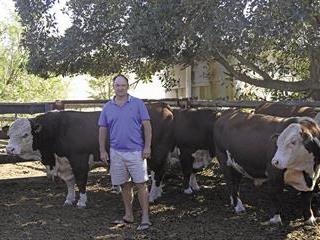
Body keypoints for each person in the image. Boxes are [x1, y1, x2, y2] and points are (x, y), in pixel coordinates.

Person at [98, 74, 152, 231]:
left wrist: (147, 147)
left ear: (128, 86)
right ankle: (129, 215)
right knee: (124, 184)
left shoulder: (137, 104)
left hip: (136, 152)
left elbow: (147, 126)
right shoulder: (108, 107)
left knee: (141, 184)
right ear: (113, 87)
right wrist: (102, 150)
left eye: (123, 85)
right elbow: (102, 129)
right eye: (117, 85)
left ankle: (145, 217)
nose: (120, 88)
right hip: (116, 152)